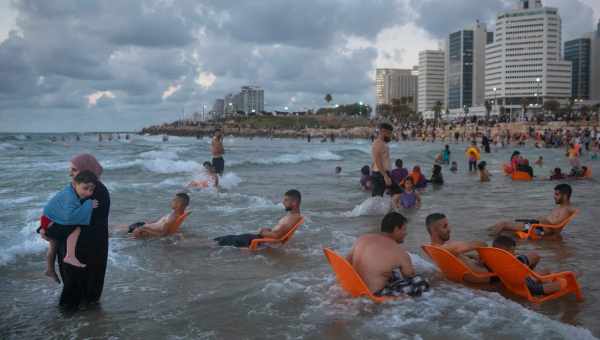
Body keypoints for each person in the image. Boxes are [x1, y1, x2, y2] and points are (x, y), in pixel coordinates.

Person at [46, 154, 110, 309]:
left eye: (74, 169)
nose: (70, 173)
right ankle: (87, 327)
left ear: (86, 169)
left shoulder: (91, 191)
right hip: (91, 249)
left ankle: (75, 329)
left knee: (71, 300)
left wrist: (48, 230)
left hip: (83, 251)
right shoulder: (92, 188)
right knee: (87, 297)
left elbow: (72, 220)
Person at [346, 212, 429, 297]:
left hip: (357, 288)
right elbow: (410, 275)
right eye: (404, 229)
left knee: (392, 273)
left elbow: (346, 262)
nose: (406, 233)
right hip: (377, 294)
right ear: (396, 229)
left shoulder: (362, 239)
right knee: (419, 281)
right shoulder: (399, 252)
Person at [39, 171, 99, 282]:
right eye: (85, 188)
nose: (89, 193)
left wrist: (43, 226)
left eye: (91, 190)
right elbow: (69, 218)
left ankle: (50, 269)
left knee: (54, 245)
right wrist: (88, 205)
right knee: (76, 228)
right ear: (75, 184)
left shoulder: (70, 191)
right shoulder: (70, 196)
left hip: (47, 221)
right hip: (49, 223)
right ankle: (70, 256)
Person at [214, 190, 302, 247]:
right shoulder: (292, 216)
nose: (283, 202)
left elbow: (277, 236)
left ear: (294, 202)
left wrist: (262, 232)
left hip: (259, 241)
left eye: (286, 200)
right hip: (260, 239)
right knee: (226, 238)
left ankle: (202, 247)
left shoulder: (293, 218)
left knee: (222, 242)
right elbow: (280, 232)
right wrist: (269, 231)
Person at [490, 184, 575, 237]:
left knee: (503, 224)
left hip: (538, 230)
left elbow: (556, 227)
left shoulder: (567, 208)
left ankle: (489, 239)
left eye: (557, 194)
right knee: (502, 229)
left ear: (565, 195)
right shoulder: (561, 207)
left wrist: (543, 221)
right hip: (535, 226)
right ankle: (489, 234)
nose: (554, 196)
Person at [426, 213, 491, 282]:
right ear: (434, 230)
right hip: (486, 274)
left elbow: (457, 257)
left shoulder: (432, 248)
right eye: (445, 227)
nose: (449, 230)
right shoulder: (449, 248)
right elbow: (481, 244)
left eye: (448, 226)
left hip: (475, 269)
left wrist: (472, 258)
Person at [492, 235, 566, 296]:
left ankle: (545, 283)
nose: (514, 253)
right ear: (509, 250)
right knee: (563, 282)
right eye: (513, 251)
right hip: (531, 289)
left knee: (545, 271)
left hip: (514, 284)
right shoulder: (513, 262)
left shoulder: (492, 259)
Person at [126, 193, 190, 238]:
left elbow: (163, 235)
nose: (171, 202)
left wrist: (144, 229)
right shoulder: (177, 214)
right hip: (145, 225)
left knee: (119, 230)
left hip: (141, 229)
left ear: (178, 203)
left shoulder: (172, 217)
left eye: (173, 200)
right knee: (121, 228)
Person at [370, 123, 401, 196]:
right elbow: (378, 160)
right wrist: (385, 176)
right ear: (383, 131)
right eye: (389, 133)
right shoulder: (378, 143)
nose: (390, 135)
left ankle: (390, 206)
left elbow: (375, 160)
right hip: (380, 174)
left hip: (381, 173)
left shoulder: (382, 143)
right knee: (377, 197)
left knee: (395, 192)